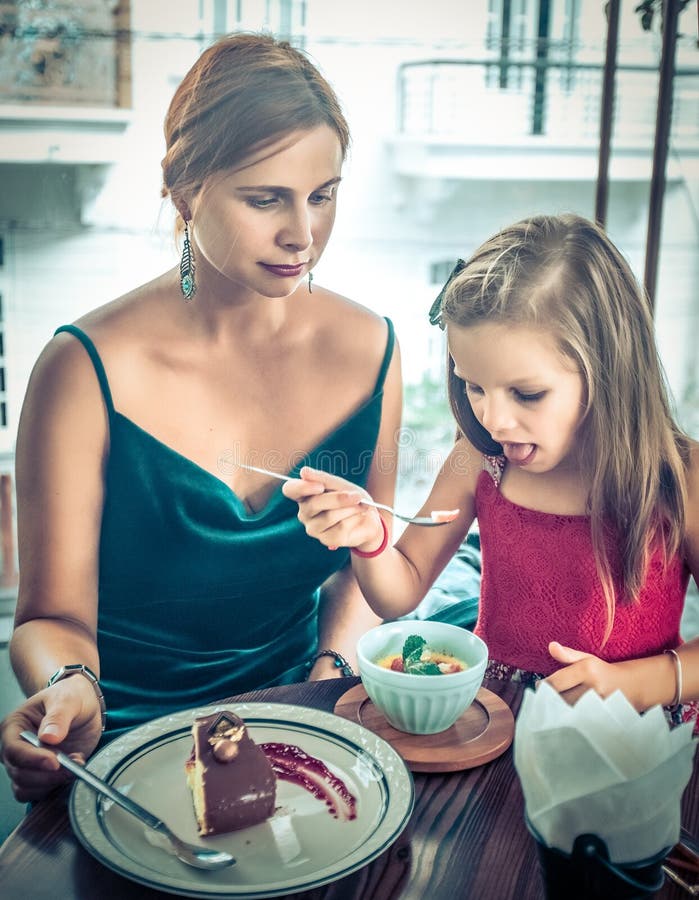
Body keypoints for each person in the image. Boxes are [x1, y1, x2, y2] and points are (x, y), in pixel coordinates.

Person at [0, 32, 401, 802]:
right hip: (120, 745)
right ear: (184, 191)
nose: (303, 234)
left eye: (323, 194)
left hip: (302, 728)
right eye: (265, 198)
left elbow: (362, 561)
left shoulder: (372, 349)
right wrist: (71, 686)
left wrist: (328, 677)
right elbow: (48, 616)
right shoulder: (82, 369)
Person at [284, 213, 698, 729]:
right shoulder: (479, 461)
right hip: (496, 718)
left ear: (609, 369)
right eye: (474, 386)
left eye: (527, 394)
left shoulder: (680, 477)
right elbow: (401, 591)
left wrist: (632, 684)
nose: (494, 419)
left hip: (636, 734)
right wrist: (369, 538)